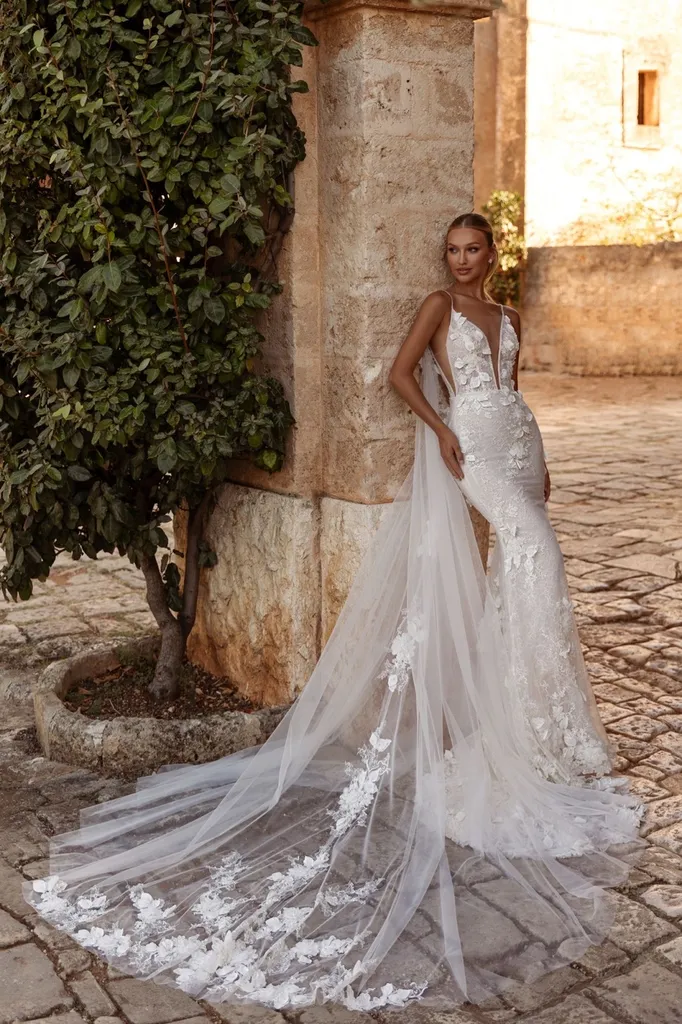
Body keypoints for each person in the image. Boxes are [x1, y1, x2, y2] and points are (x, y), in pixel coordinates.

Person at [27, 213, 644, 1013]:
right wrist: (444, 433)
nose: (462, 262)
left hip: (520, 448)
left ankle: (537, 723)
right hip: (474, 450)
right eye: (452, 251)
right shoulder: (437, 307)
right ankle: (522, 729)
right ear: (445, 258)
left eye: (473, 250)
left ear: (493, 254)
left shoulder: (512, 317)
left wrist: (545, 455)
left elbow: (516, 392)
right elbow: (397, 375)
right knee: (537, 559)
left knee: (529, 582)